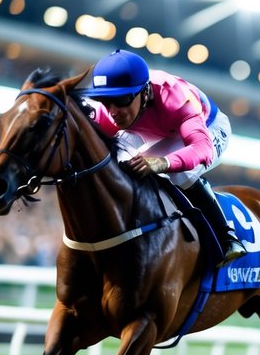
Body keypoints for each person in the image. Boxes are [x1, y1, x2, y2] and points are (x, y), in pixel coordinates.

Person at [82, 49, 247, 265]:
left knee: (180, 172)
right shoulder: (109, 112)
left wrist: (163, 163)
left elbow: (201, 148)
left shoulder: (174, 98)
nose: (113, 112)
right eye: (106, 101)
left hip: (208, 127)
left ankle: (226, 237)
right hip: (152, 128)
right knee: (121, 164)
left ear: (145, 92)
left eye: (121, 100)